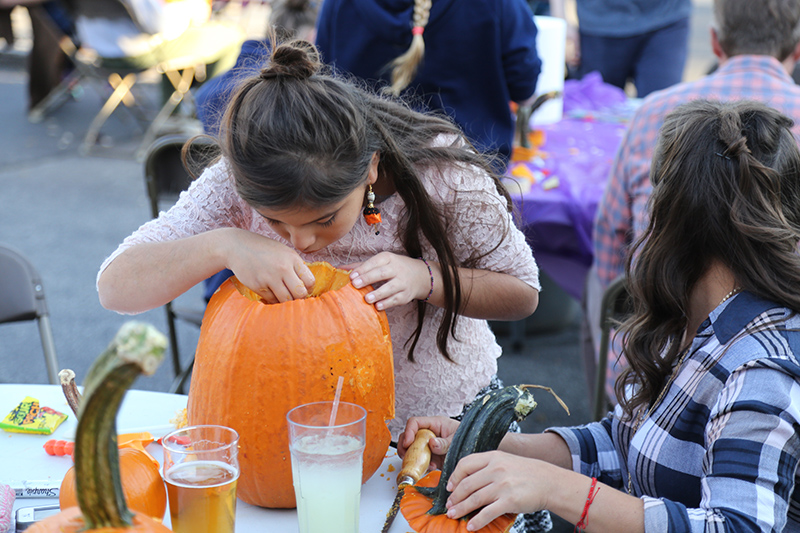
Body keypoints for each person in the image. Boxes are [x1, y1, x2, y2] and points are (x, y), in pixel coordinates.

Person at [97, 37, 540, 445]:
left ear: (370, 168)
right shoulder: (236, 181)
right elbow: (115, 286)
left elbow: (522, 295)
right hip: (292, 427)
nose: (301, 241)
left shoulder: (444, 181)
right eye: (274, 222)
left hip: (435, 427)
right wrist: (225, 244)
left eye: (325, 219)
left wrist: (427, 278)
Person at [400, 99, 800, 532]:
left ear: (676, 216)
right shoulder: (701, 320)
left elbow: (737, 527)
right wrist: (477, 442)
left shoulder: (761, 367)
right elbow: (621, 443)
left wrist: (555, 488)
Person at [589, 0, 800, 406]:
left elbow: (610, 239)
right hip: (753, 347)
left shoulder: (654, 110)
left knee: (602, 288)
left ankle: (608, 398)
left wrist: (622, 349)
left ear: (716, 43)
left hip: (656, 352)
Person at [314, 0, 542, 170]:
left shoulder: (337, 4)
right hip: (469, 175)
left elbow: (322, 90)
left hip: (369, 179)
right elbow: (524, 88)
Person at [194, 0, 320, 300]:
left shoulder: (212, 91)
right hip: (258, 272)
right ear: (311, 39)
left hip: (217, 281)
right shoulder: (286, 103)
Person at [549, 0, 691, 97]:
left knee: (664, 114)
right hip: (598, 22)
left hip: (667, 16)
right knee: (596, 115)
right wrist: (561, 18)